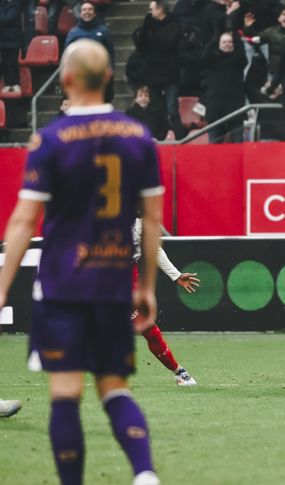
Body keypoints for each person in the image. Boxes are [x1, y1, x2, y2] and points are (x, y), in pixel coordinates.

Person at [0, 39, 162, 485]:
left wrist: (0, 288)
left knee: (66, 397)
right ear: (110, 78)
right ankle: (145, 473)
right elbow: (151, 222)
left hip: (62, 287)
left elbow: (22, 221)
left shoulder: (49, 140)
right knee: (114, 389)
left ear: (65, 79)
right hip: (113, 286)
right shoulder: (139, 138)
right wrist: (146, 286)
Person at [131, 217, 199, 386]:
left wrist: (176, 275)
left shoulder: (141, 223)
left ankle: (179, 372)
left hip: (127, 285)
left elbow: (153, 248)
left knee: (149, 329)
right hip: (99, 281)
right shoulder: (102, 217)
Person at [141, 0, 185, 140]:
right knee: (156, 109)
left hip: (170, 74)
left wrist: (153, 28)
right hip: (153, 73)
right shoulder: (150, 25)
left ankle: (180, 140)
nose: (150, 12)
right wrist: (145, 27)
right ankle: (157, 138)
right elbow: (141, 45)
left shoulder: (175, 26)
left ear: (160, 10)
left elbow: (167, 44)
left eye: (151, 9)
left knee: (172, 110)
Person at [65, 1, 115, 102]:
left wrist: (111, 72)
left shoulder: (103, 31)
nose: (87, 12)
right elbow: (67, 56)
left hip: (99, 76)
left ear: (94, 13)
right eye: (84, 10)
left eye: (90, 9)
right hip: (79, 77)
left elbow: (110, 54)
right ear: (80, 13)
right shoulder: (73, 33)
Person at [203, 31, 247, 143]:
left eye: (230, 42)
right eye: (224, 42)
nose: (227, 44)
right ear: (219, 44)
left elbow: (241, 55)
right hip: (215, 108)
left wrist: (236, 38)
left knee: (238, 145)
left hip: (235, 108)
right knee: (214, 146)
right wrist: (213, 40)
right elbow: (204, 56)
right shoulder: (212, 60)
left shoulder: (239, 61)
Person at [244, 5, 285, 77]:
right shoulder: (271, 31)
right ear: (279, 18)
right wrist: (248, 28)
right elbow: (256, 39)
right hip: (274, 72)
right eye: (283, 14)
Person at [0, 0, 23, 94]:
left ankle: (16, 83)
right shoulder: (2, 5)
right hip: (3, 39)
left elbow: (8, 18)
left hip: (14, 39)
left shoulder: (16, 5)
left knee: (13, 61)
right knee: (4, 62)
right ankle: (8, 83)